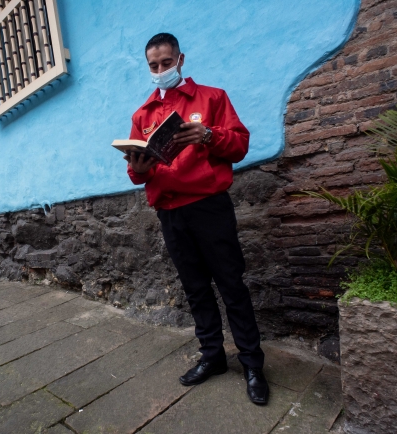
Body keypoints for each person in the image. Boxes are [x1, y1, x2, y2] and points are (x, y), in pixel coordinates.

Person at [123, 33, 269, 405]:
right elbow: (138, 175)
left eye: (166, 63)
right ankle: (213, 356)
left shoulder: (212, 98)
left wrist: (207, 134)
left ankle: (252, 364)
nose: (160, 71)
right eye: (153, 66)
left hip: (209, 205)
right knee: (196, 289)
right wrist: (138, 168)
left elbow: (239, 145)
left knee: (231, 284)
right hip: (170, 212)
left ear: (181, 59)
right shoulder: (142, 115)